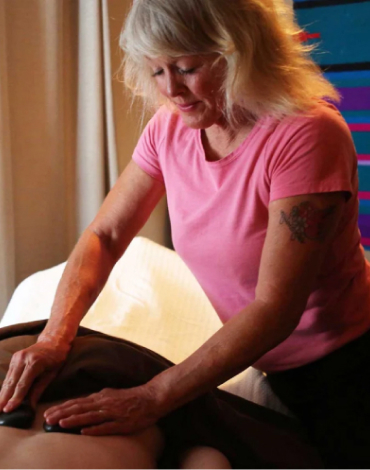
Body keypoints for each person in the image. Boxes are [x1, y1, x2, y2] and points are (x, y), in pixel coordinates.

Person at [0, 0, 369, 467]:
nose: (171, 89)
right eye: (156, 71)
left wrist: (154, 397)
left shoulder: (306, 135)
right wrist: (54, 338)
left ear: (240, 53)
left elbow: (276, 307)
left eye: (187, 68)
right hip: (264, 359)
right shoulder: (169, 129)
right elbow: (107, 235)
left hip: (344, 366)